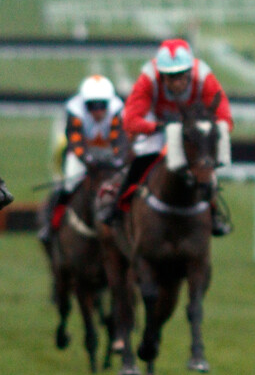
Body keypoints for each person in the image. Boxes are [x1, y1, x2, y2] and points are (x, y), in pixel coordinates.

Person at [104, 39, 234, 236]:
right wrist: (157, 127)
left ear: (190, 71)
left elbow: (225, 118)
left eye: (181, 75)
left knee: (204, 166)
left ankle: (213, 212)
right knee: (143, 158)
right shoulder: (148, 79)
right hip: (158, 123)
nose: (177, 82)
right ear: (161, 74)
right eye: (170, 76)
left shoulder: (205, 77)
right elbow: (130, 121)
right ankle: (119, 207)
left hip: (191, 127)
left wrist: (206, 133)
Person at [38, 75, 126, 244]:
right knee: (67, 186)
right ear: (84, 104)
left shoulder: (117, 109)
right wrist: (87, 158)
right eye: (92, 106)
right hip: (82, 156)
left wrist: (118, 157)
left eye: (102, 106)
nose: (98, 111)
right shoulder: (75, 109)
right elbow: (75, 139)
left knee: (124, 184)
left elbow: (120, 139)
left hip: (108, 155)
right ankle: (51, 225)